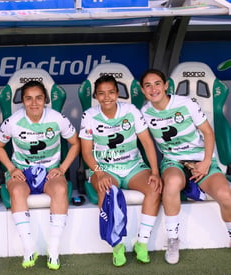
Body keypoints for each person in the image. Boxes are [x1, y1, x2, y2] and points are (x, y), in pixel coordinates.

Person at [140, 68, 231, 264]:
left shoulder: (185, 103)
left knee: (227, 197)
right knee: (171, 182)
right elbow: (143, 141)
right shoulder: (144, 113)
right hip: (173, 160)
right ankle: (173, 239)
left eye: (157, 84)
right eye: (148, 85)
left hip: (200, 159)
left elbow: (208, 132)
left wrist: (206, 163)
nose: (153, 89)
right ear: (142, 90)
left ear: (166, 86)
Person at [0, 80, 80, 270]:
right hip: (22, 171)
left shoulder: (57, 118)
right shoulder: (14, 121)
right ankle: (29, 247)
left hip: (50, 170)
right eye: (28, 98)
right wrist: (11, 168)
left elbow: (75, 143)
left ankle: (54, 249)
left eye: (39, 98)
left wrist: (63, 168)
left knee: (59, 188)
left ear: (45, 100)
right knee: (16, 191)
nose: (34, 103)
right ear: (22, 101)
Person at [79, 74, 162, 267]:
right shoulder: (90, 115)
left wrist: (155, 172)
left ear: (117, 93)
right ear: (96, 96)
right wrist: (99, 173)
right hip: (104, 168)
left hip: (133, 166)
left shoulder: (130, 111)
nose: (106, 97)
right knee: (107, 191)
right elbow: (86, 152)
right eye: (101, 94)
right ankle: (117, 245)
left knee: (154, 187)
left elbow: (147, 143)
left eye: (110, 92)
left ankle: (142, 242)